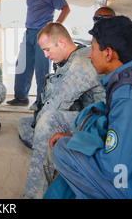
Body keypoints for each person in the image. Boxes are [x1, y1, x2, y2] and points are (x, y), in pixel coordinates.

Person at [50, 16, 132, 198]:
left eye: (93, 48)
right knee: (88, 125)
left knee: (64, 150)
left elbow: (114, 169)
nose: (89, 54)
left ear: (108, 53)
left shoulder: (131, 95)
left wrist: (80, 142)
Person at [18, 22, 105, 199]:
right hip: (85, 116)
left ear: (62, 43)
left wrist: (40, 127)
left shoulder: (81, 62)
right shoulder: (70, 59)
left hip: (99, 123)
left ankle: (33, 195)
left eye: (48, 49)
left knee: (47, 121)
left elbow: (57, 103)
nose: (45, 55)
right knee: (24, 123)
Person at [7, 0, 71, 110]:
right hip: (28, 31)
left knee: (42, 67)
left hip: (44, 34)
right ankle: (21, 97)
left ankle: (41, 101)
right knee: (22, 63)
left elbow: (66, 9)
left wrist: (55, 27)